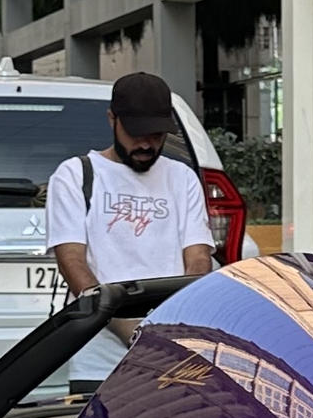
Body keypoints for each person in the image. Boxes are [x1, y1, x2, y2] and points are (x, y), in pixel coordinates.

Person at [46, 71, 216, 307]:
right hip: (98, 335)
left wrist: (175, 317)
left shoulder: (182, 177)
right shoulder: (74, 175)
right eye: (136, 133)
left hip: (164, 325)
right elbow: (71, 261)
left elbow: (198, 258)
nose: (146, 144)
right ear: (112, 119)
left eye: (156, 135)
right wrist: (118, 322)